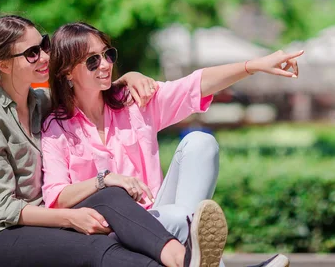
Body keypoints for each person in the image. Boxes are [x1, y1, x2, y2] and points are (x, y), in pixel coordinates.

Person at [0, 14, 229, 267]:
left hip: (40, 225)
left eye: (44, 45)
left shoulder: (39, 101)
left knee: (108, 202)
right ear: (3, 64)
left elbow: (87, 91)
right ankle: (185, 260)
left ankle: (182, 260)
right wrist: (70, 217)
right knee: (96, 246)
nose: (46, 56)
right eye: (32, 53)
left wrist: (128, 79)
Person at [41, 22, 302, 267]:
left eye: (108, 54)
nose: (106, 65)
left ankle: (192, 250)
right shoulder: (57, 127)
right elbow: (56, 197)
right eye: (92, 60)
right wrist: (104, 179)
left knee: (200, 142)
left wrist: (254, 65)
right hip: (111, 232)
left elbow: (195, 85)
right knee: (178, 218)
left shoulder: (133, 100)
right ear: (67, 72)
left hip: (161, 215)